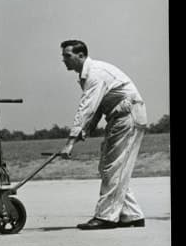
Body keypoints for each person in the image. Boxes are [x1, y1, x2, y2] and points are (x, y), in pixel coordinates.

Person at [57, 39, 148, 230]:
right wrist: (86, 130)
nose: (63, 59)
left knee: (112, 168)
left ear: (80, 55)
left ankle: (106, 217)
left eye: (67, 55)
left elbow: (87, 108)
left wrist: (70, 143)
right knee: (112, 167)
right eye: (63, 56)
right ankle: (131, 215)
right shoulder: (87, 75)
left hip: (127, 116)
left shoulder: (95, 74)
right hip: (120, 117)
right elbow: (96, 108)